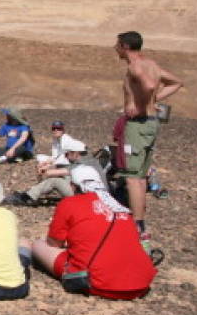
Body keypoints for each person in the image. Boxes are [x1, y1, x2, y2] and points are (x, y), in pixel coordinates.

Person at [31, 165, 157, 299]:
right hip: (141, 283)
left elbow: (54, 243)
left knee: (39, 245)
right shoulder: (120, 207)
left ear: (73, 186)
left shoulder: (70, 203)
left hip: (97, 282)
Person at [112, 31, 184, 239]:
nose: (115, 48)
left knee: (133, 178)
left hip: (138, 124)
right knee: (141, 176)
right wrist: (153, 101)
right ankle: (140, 221)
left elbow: (150, 85)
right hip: (152, 124)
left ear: (125, 46)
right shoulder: (151, 64)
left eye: (117, 45)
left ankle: (138, 226)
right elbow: (176, 82)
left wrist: (141, 105)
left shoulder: (135, 67)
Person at [6, 134, 94, 207]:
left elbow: (55, 172)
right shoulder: (88, 161)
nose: (66, 156)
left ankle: (28, 197)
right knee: (60, 177)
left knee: (54, 181)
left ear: (76, 153)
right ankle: (31, 193)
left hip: (82, 198)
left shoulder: (80, 165)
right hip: (87, 195)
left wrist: (45, 171)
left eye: (67, 153)